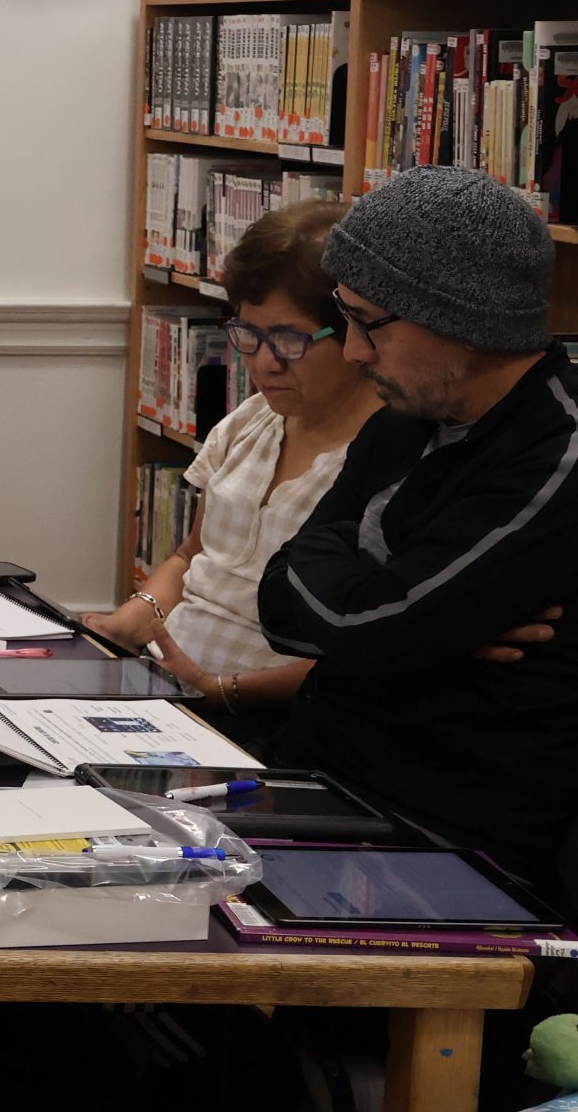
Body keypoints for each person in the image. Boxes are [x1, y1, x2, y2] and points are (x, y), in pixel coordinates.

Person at [258, 166, 578, 892]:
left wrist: (384, 620)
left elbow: (371, 631)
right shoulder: (406, 417)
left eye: (370, 321)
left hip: (444, 842)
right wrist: (425, 632)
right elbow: (280, 593)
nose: (353, 351)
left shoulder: (558, 457)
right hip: (319, 779)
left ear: (465, 316)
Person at [84, 201, 378, 744]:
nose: (264, 363)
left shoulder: (384, 459)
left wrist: (221, 688)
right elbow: (191, 554)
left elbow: (368, 650)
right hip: (169, 686)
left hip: (267, 718)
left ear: (356, 336)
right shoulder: (253, 419)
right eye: (249, 335)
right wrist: (135, 617)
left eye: (290, 340)